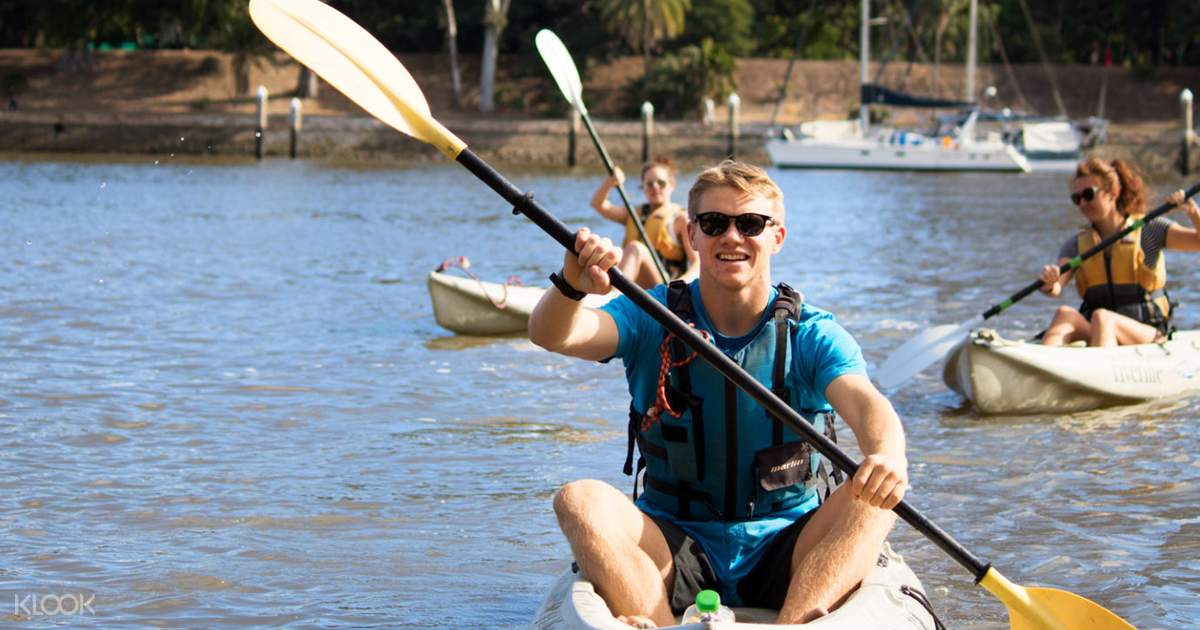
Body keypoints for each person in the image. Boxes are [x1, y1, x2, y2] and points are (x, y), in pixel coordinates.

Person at [530, 160, 907, 627]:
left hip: (789, 543)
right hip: (673, 539)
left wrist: (886, 455)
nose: (731, 236)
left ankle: (793, 626)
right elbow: (555, 335)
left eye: (750, 223)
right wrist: (571, 285)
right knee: (578, 499)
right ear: (692, 235)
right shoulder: (651, 316)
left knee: (876, 498)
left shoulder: (813, 333)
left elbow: (868, 405)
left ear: (777, 238)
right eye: (714, 223)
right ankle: (658, 625)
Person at [1038, 158, 1200, 347]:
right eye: (1077, 198)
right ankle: (1034, 371)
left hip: (1148, 333)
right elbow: (1057, 286)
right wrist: (1050, 282)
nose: (1082, 203)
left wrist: (1192, 211)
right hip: (1099, 330)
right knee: (1064, 314)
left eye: (1089, 194)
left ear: (1113, 192)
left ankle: (1097, 372)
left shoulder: (1149, 230)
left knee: (1103, 318)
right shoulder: (1076, 244)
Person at [590, 157, 697, 288]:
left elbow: (697, 263)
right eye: (649, 184)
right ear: (644, 187)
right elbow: (598, 204)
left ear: (672, 185)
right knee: (609, 250)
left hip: (664, 289)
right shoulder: (633, 214)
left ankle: (614, 293)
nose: (655, 187)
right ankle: (605, 289)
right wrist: (610, 182)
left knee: (636, 248)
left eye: (661, 183)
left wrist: (678, 285)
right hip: (636, 285)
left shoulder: (680, 219)